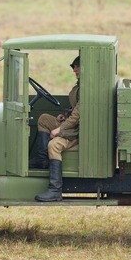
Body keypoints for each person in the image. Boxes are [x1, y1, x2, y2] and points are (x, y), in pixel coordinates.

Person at [32, 56, 81, 202]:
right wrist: (64, 115)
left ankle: (55, 190)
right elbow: (75, 110)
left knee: (53, 145)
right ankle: (43, 161)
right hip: (71, 126)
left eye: (77, 66)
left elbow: (78, 116)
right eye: (73, 67)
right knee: (44, 119)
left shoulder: (87, 88)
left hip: (77, 133)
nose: (74, 70)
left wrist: (60, 129)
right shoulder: (80, 86)